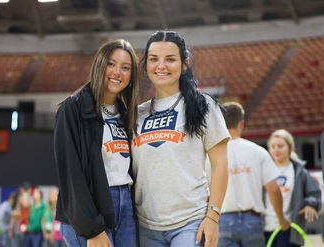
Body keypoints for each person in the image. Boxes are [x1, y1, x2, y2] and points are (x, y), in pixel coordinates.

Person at [131, 30, 230, 247]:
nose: (161, 66)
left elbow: (220, 165)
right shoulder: (136, 114)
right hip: (146, 227)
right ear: (146, 65)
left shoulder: (204, 106)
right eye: (154, 59)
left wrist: (213, 216)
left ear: (184, 64)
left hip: (190, 223)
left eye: (170, 59)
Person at [54, 39, 140, 247]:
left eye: (125, 67)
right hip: (89, 211)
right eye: (111, 64)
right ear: (99, 65)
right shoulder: (72, 108)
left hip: (125, 206)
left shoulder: (126, 113)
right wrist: (92, 229)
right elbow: (71, 174)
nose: (117, 72)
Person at [215, 101, 290, 247]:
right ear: (241, 124)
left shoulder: (211, 154)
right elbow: (274, 190)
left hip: (223, 220)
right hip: (253, 221)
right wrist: (281, 219)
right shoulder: (258, 152)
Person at [264, 129, 322, 247]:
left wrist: (310, 204)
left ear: (289, 148)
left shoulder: (299, 172)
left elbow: (315, 194)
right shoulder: (263, 170)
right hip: (263, 228)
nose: (276, 149)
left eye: (280, 146)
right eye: (273, 146)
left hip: (289, 228)